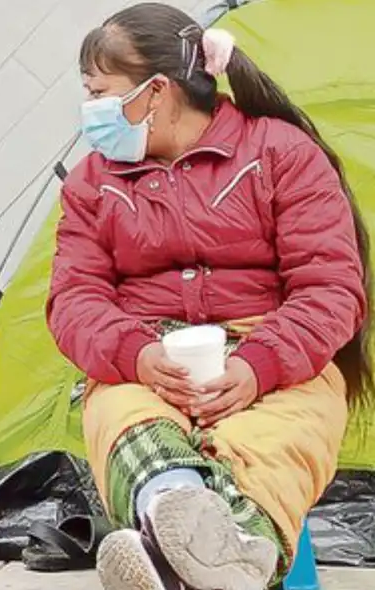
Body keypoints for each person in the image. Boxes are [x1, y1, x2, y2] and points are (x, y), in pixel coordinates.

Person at [47, 4, 371, 590]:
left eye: (100, 93)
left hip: (276, 358)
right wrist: (136, 354)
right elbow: (75, 299)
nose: (91, 110)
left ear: (156, 92)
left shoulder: (280, 152)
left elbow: (330, 288)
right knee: (127, 417)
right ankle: (199, 534)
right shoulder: (91, 183)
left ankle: (181, 560)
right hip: (146, 361)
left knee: (263, 447)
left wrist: (258, 365)